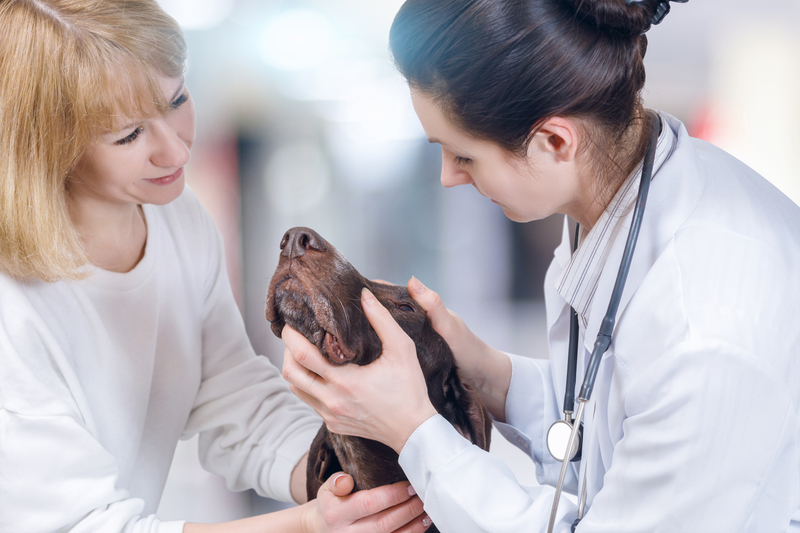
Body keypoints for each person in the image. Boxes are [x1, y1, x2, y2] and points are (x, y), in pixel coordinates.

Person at [281, 0, 800, 531]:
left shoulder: (705, 329)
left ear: (554, 141)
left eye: (463, 155)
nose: (448, 177)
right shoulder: (624, 199)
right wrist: (481, 369)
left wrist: (412, 431)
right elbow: (610, 416)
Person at [0, 1, 430, 532]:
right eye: (129, 135)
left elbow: (236, 402)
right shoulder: (13, 304)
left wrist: (356, 476)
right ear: (46, 149)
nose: (175, 151)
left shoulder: (178, 219)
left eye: (177, 98)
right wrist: (311, 524)